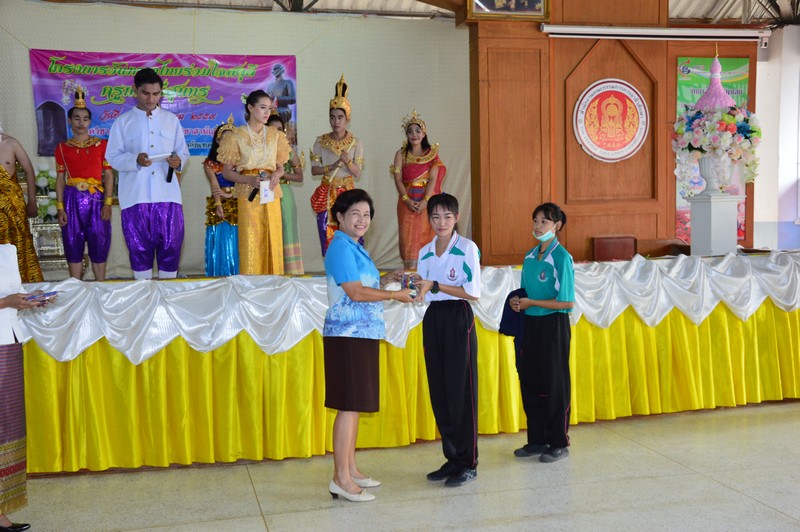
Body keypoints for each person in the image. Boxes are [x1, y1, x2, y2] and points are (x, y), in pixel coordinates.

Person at [323, 189, 414, 502]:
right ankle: (340, 479)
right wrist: (394, 295)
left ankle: (350, 469)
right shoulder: (340, 246)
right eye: (355, 214)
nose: (362, 220)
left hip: (362, 334)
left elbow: (364, 285)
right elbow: (355, 292)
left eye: (366, 214)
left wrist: (387, 279)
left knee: (355, 405)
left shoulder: (354, 247)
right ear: (340, 217)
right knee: (348, 407)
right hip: (347, 335)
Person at [412, 193, 481, 487]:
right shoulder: (425, 251)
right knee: (440, 390)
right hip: (434, 318)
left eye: (447, 217)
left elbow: (473, 292)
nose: (441, 223)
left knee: (461, 390)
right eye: (436, 217)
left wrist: (436, 285)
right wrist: (409, 284)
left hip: (458, 315)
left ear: (456, 218)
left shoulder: (467, 248)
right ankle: (452, 457)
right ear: (429, 219)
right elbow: (422, 291)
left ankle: (468, 462)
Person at [105, 67, 189, 280]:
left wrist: (178, 161)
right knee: (139, 252)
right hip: (136, 197)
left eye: (156, 94)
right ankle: (142, 297)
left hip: (168, 196)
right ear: (135, 90)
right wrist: (135, 159)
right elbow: (112, 156)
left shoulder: (171, 120)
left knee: (171, 249)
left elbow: (182, 152)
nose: (151, 99)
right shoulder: (123, 122)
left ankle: (168, 296)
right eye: (146, 93)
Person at [508, 202, 574, 463]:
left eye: (544, 221)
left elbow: (567, 302)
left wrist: (532, 303)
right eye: (535, 221)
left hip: (553, 325)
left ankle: (558, 442)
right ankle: (536, 440)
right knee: (531, 381)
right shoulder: (529, 256)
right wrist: (517, 302)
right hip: (530, 325)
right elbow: (525, 292)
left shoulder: (561, 257)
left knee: (555, 383)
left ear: (556, 225)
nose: (537, 226)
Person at [0, 243, 48, 532]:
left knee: (9, 427)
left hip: (9, 342)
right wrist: (6, 302)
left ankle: (1, 512)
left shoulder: (7, 250)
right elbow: (5, 299)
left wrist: (31, 300)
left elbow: (12, 294)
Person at [217, 90, 290, 275]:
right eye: (262, 107)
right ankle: (251, 285)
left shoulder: (275, 135)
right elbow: (227, 172)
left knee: (273, 237)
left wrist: (277, 175)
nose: (267, 112)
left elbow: (280, 167)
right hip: (247, 193)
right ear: (250, 108)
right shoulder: (236, 136)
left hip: (270, 191)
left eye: (269, 108)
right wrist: (249, 179)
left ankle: (274, 282)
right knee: (251, 241)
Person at [54, 89, 114, 281]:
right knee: (72, 242)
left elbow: (109, 175)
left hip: (96, 199)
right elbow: (60, 179)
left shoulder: (102, 145)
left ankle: (101, 286)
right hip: (72, 200)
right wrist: (60, 207)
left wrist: (108, 203)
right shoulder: (62, 148)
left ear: (90, 122)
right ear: (70, 120)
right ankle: (76, 288)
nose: (81, 123)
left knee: (99, 241)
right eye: (77, 118)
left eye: (85, 119)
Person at [309, 75, 364, 256]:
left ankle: (352, 268)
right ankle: (331, 267)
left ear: (347, 119)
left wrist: (348, 161)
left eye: (340, 117)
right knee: (327, 233)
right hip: (327, 192)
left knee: (352, 233)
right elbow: (314, 170)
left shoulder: (356, 143)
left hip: (347, 192)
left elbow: (357, 173)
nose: (336, 121)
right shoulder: (321, 141)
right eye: (332, 117)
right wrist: (330, 167)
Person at [391, 109, 446, 271]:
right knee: (408, 239)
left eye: (417, 131)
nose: (414, 134)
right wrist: (406, 200)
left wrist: (425, 201)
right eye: (410, 132)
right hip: (406, 202)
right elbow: (398, 179)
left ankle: (428, 274)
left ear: (424, 133)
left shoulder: (432, 154)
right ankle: (410, 275)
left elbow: (433, 179)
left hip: (427, 202)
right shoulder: (401, 154)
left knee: (427, 235)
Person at [0, 125, 43, 284]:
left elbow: (29, 171)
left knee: (17, 244)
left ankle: (20, 284)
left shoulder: (11, 143)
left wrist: (32, 201)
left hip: (13, 206)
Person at [266, 112, 304, 275]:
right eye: (273, 130)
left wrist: (280, 174)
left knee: (287, 230)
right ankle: (269, 271)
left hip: (284, 194)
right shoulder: (261, 150)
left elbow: (299, 177)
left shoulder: (288, 150)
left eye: (280, 129)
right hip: (266, 193)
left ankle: (291, 272)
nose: (277, 133)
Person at [203, 115, 238, 277]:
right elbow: (214, 185)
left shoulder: (242, 162)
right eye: (225, 139)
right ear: (217, 141)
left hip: (240, 202)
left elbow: (245, 184)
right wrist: (218, 203)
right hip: (221, 203)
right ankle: (222, 274)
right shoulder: (211, 163)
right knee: (223, 239)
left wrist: (231, 195)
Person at [265, 63, 296, 129]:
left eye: (278, 69)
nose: (276, 70)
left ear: (282, 71)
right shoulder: (270, 86)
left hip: (283, 109)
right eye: (275, 69)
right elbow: (265, 99)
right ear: (273, 72)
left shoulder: (288, 82)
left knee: (279, 113)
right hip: (271, 109)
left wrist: (276, 98)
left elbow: (293, 99)